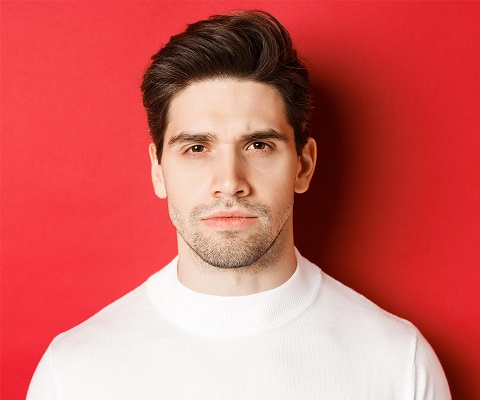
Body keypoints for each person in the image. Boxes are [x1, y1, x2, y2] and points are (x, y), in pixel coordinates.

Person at [27, 10, 451, 399]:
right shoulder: (75, 373)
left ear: (303, 166)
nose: (230, 182)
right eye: (196, 148)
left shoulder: (399, 364)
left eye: (259, 145)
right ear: (158, 170)